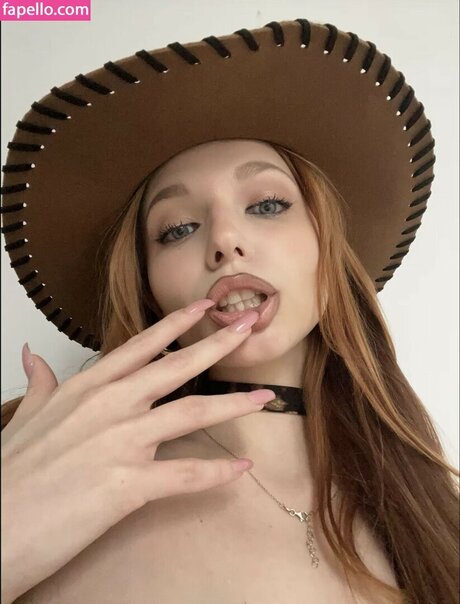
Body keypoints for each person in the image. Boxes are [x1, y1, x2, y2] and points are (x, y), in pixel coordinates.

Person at [1, 18, 458, 604]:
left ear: (328, 246)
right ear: (147, 286)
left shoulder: (429, 508)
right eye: (177, 229)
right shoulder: (50, 475)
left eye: (266, 204)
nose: (224, 240)